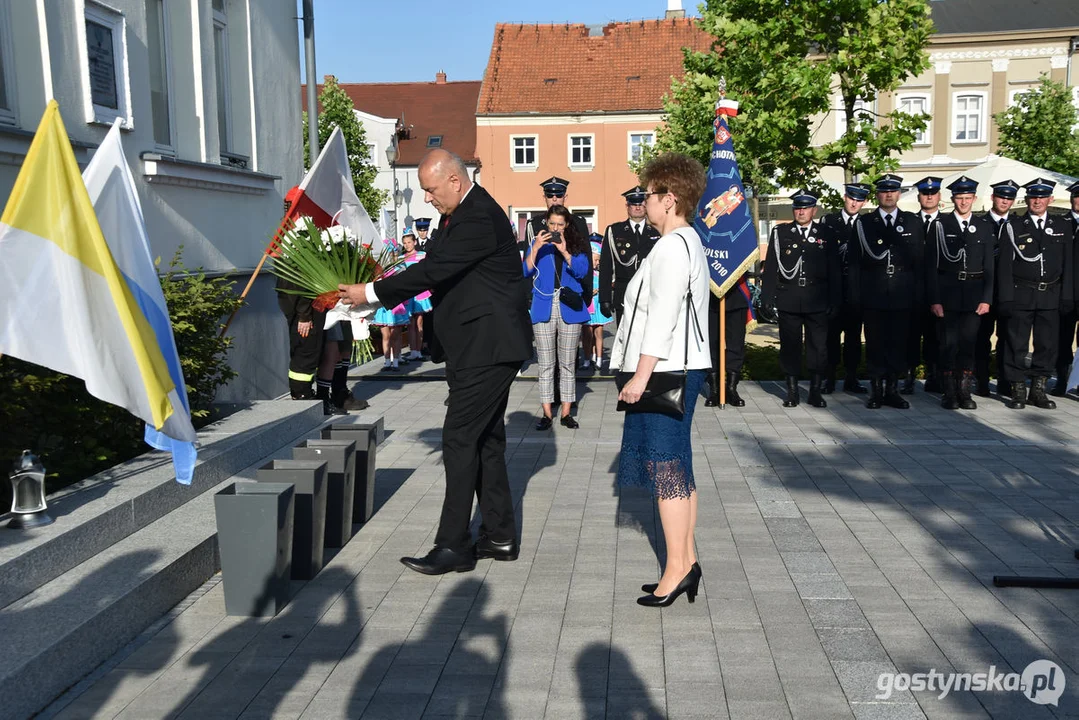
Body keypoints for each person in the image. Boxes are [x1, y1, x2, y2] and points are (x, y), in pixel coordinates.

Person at [338, 148, 532, 575]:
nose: (427, 198)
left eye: (430, 189)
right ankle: (499, 536)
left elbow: (434, 271)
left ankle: (453, 546)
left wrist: (372, 292)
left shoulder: (477, 216)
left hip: (488, 348)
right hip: (477, 346)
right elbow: (431, 266)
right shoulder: (457, 215)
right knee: (485, 441)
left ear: (455, 182)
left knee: (459, 440)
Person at [611, 152, 710, 608]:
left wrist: (640, 375)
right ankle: (686, 561)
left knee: (666, 468)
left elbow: (664, 317)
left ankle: (676, 570)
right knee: (677, 467)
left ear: (669, 199)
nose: (642, 202)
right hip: (681, 368)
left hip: (666, 371)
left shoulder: (672, 246)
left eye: (647, 195)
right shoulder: (688, 240)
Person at [850, 174, 926, 409]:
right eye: (884, 191)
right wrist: (855, 297)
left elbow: (920, 263)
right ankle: (876, 391)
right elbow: (854, 263)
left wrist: (919, 296)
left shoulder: (912, 222)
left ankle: (893, 389)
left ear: (899, 194)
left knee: (897, 344)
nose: (889, 195)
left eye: (893, 191)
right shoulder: (864, 223)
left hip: (903, 293)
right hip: (873, 293)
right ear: (878, 195)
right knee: (875, 344)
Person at [997, 177, 1074, 409]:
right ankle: (1018, 388)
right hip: (1022, 293)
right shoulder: (1013, 226)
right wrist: (1005, 297)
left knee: (1047, 344)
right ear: (1027, 199)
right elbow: (1004, 266)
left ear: (1050, 199)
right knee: (1016, 343)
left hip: (1051, 293)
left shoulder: (1062, 226)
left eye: (1042, 197)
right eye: (1033, 197)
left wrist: (1067, 295)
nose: (1037, 201)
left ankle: (1038, 389)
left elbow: (1068, 264)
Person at [762, 189, 841, 408]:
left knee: (818, 348)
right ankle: (792, 391)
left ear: (814, 210)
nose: (801, 211)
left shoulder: (826, 233)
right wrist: (767, 297)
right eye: (798, 207)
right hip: (790, 298)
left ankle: (815, 390)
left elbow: (834, 270)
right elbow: (771, 267)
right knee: (790, 347)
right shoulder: (781, 233)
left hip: (817, 298)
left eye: (806, 207)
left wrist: (836, 299)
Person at [926, 176, 995, 410]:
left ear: (974, 199)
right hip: (948, 294)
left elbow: (989, 268)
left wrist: (987, 298)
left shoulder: (984, 227)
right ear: (953, 199)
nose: (964, 202)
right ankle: (949, 392)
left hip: (974, 295)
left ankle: (965, 392)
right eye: (959, 198)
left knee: (968, 345)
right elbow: (931, 266)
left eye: (968, 198)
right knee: (948, 345)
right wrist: (935, 299)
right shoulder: (940, 225)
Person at [525, 205, 591, 429]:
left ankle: (565, 412)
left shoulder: (575, 243)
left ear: (567, 225)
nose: (555, 228)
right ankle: (546, 413)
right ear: (546, 223)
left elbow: (583, 271)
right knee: (545, 364)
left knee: (567, 364)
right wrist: (535, 248)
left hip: (568, 307)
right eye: (551, 223)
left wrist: (564, 250)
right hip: (543, 304)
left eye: (560, 225)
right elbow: (525, 271)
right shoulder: (538, 243)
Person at [820, 182, 871, 394]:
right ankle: (829, 378)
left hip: (857, 291)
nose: (854, 203)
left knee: (853, 338)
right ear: (845, 197)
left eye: (859, 199)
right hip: (833, 291)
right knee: (830, 337)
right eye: (852, 198)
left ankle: (851, 378)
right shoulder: (829, 221)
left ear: (865, 202)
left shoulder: (867, 223)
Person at [975, 179, 1018, 397]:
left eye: (1009, 198)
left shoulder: (1018, 225)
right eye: (1002, 196)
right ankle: (981, 380)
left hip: (1010, 292)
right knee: (981, 338)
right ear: (993, 197)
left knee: (1007, 338)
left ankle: (1004, 380)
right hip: (983, 291)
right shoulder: (980, 224)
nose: (1005, 201)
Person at [902, 176, 944, 394]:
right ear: (919, 197)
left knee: (936, 336)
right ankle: (909, 376)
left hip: (940, 291)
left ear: (939, 196)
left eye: (933, 193)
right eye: (925, 194)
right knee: (910, 336)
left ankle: (933, 375)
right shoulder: (908, 222)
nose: (929, 197)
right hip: (913, 290)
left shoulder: (947, 223)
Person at [598, 186, 661, 326]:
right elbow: (606, 267)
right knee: (625, 339)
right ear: (627, 206)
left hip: (651, 293)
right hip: (624, 293)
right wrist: (605, 299)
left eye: (641, 203)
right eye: (634, 204)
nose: (637, 208)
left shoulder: (657, 230)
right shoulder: (614, 231)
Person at [704, 281, 750, 407]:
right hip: (710, 296)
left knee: (735, 344)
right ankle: (714, 390)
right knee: (711, 344)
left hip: (736, 294)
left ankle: (731, 389)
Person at [1053, 181, 1079, 395]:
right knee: (1062, 339)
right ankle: (1062, 381)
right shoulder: (1061, 224)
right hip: (1063, 292)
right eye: (1077, 196)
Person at [398, 231, 432, 362]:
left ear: (415, 242)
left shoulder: (422, 255)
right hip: (408, 293)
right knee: (410, 323)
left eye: (409, 242)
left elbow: (427, 272)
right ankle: (413, 351)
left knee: (419, 323)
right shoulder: (401, 258)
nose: (407, 245)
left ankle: (418, 351)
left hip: (419, 291)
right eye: (405, 243)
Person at [583, 231, 614, 370]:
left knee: (598, 332)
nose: (597, 263)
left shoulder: (601, 273)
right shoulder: (585, 273)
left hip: (598, 305)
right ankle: (587, 359)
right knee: (587, 334)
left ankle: (599, 359)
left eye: (598, 260)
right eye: (595, 260)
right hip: (588, 305)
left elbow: (607, 285)